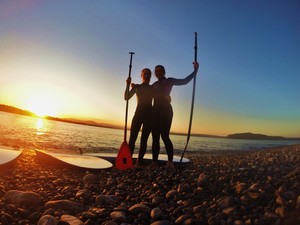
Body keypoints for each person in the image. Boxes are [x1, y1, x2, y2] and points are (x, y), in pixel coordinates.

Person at [151, 61, 199, 168]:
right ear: (155, 73)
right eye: (156, 71)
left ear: (164, 72)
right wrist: (134, 86)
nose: (158, 72)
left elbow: (184, 81)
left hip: (166, 111)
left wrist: (195, 70)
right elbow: (145, 93)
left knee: (164, 136)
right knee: (155, 137)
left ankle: (170, 162)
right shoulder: (153, 85)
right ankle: (154, 162)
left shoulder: (169, 81)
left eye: (160, 70)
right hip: (155, 113)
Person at [124, 68, 153, 167]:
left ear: (150, 76)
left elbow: (160, 96)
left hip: (149, 116)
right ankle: (128, 161)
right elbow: (126, 97)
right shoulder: (137, 87)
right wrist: (128, 84)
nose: (147, 76)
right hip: (138, 115)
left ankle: (138, 162)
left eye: (148, 74)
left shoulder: (153, 88)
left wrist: (167, 97)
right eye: (145, 74)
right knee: (132, 139)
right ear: (141, 75)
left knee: (144, 140)